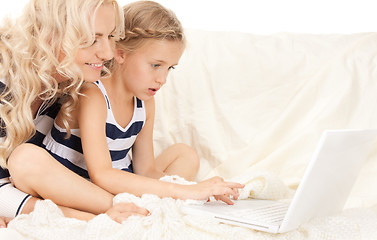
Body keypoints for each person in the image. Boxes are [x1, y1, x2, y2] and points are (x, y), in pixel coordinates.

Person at [15, 0, 243, 204]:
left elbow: (145, 170)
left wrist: (197, 189)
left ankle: (154, 202)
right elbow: (102, 174)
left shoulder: (145, 101)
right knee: (26, 159)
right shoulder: (93, 95)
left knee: (185, 154)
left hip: (118, 180)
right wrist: (186, 191)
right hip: (78, 184)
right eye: (156, 65)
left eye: (169, 68)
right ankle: (128, 204)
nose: (162, 79)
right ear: (120, 54)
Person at [1, 0, 148, 224]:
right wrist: (91, 216)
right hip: (36, 180)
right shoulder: (6, 81)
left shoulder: (78, 77)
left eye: (110, 36)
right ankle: (127, 208)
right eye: (90, 39)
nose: (107, 53)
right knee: (26, 159)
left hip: (52, 183)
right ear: (48, 34)